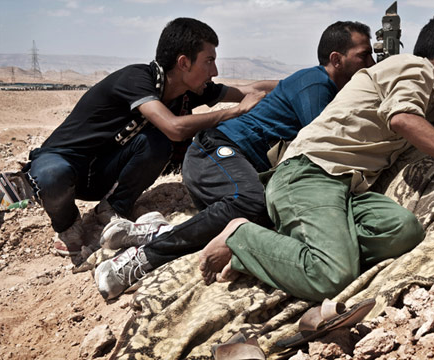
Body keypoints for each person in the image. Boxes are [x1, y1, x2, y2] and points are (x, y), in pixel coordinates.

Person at [194, 13, 434, 302]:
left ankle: (280, 249)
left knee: (404, 230)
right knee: (332, 278)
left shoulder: (433, 94)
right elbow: (403, 118)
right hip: (310, 173)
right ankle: (242, 236)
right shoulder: (414, 70)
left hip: (347, 188)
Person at [94, 21, 376, 300]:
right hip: (214, 152)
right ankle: (143, 258)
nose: (371, 61)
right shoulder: (317, 84)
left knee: (268, 214)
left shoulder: (314, 83)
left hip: (227, 172)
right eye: (364, 54)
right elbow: (323, 147)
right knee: (252, 199)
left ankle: (158, 232)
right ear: (336, 60)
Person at [24, 18, 276, 257]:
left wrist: (305, 79)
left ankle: (112, 208)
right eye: (208, 61)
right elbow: (175, 127)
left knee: (156, 143)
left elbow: (250, 90)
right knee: (52, 175)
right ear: (184, 63)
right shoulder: (136, 79)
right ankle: (67, 226)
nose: (215, 71)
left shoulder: (188, 90)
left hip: (102, 172)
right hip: (63, 164)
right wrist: (233, 112)